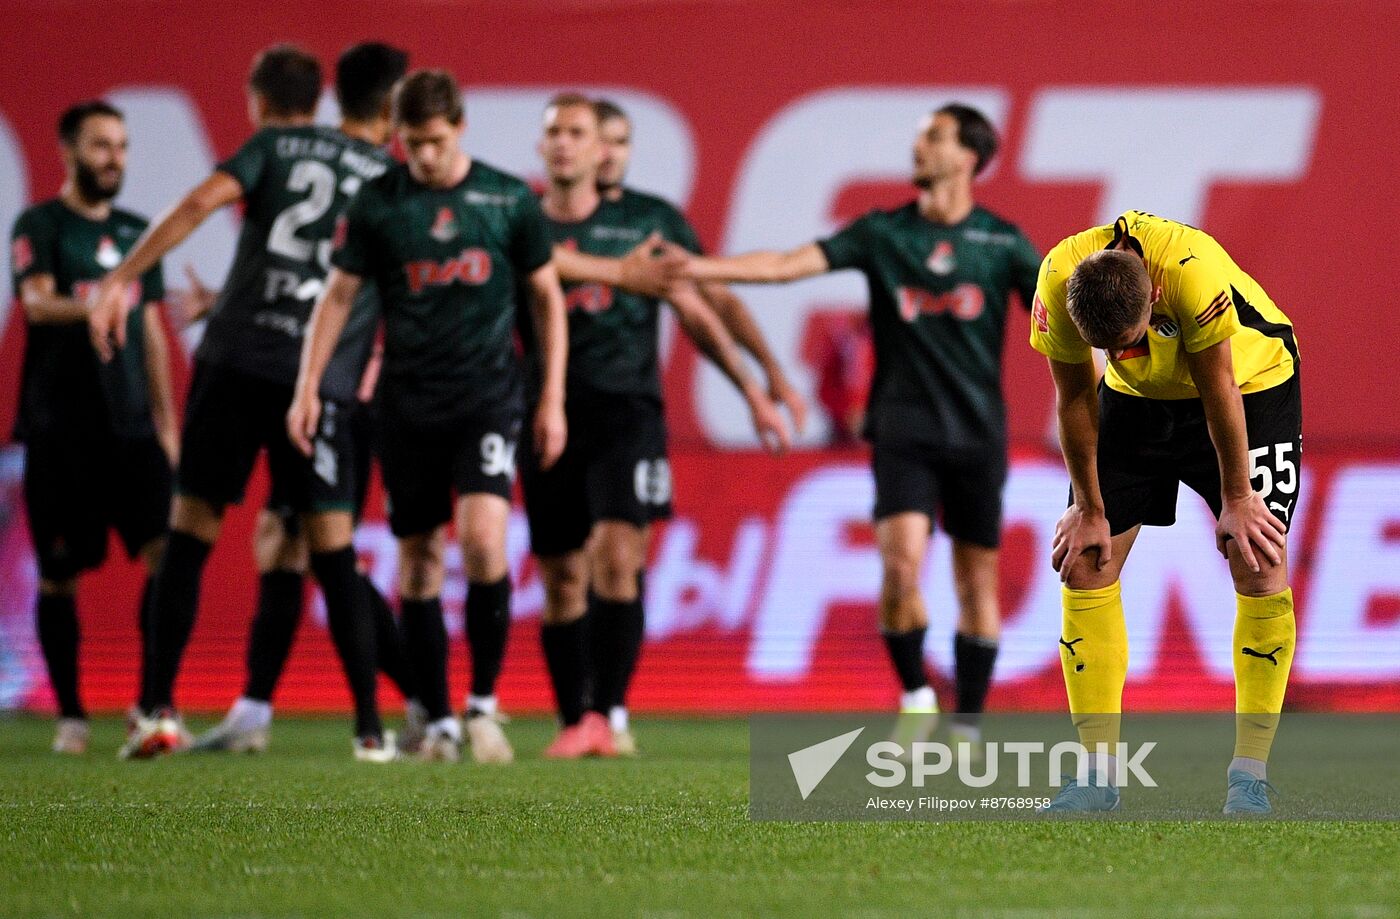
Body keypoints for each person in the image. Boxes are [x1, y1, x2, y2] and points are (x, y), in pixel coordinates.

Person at [676, 105, 1039, 750]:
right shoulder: (882, 233)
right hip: (902, 434)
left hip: (977, 437)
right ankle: (918, 697)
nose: (917, 144)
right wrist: (700, 268)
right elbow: (788, 264)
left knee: (975, 583)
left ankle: (968, 724)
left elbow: (1061, 314)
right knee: (900, 572)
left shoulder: (1002, 243)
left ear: (965, 158)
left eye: (932, 136)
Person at [90, 45, 402, 761]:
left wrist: (123, 279)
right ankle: (370, 730)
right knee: (331, 548)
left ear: (258, 99)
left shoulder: (270, 147)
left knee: (191, 532)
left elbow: (203, 203)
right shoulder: (386, 172)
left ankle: (157, 709)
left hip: (236, 359)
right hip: (310, 376)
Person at [288, 69, 569, 765]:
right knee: (417, 560)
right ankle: (437, 716)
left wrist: (552, 395)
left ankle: (483, 705)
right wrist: (308, 386)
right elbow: (338, 296)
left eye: (436, 143)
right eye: (412, 144)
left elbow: (547, 299)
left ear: (460, 129)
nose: (425, 157)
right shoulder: (379, 202)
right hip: (406, 401)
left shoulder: (508, 198)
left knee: (482, 540)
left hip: (487, 397)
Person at [527, 94, 790, 758]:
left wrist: (756, 387)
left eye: (588, 135)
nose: (577, 146)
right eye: (556, 131)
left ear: (608, 149)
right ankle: (572, 717)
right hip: (544, 410)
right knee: (560, 574)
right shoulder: (520, 221)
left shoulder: (648, 221)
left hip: (627, 413)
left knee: (618, 558)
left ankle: (608, 715)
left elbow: (702, 307)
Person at [187, 42, 421, 755]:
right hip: (329, 385)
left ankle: (424, 702)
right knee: (288, 543)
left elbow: (313, 272)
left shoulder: (303, 155)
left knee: (323, 549)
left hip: (328, 386)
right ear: (392, 107)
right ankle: (259, 708)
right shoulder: (390, 176)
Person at [1030, 210, 1299, 814]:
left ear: (1154, 294)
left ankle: (1249, 776)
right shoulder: (1056, 280)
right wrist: (1090, 510)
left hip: (1251, 389)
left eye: (1130, 340)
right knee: (1086, 560)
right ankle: (1097, 777)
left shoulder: (1190, 270)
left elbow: (1219, 389)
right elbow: (1076, 395)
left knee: (1256, 558)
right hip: (1135, 402)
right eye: (1110, 347)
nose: (1122, 351)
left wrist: (1237, 499)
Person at [9, 100, 177, 754]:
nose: (115, 158)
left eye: (122, 146)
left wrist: (168, 423)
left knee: (167, 557)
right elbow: (35, 302)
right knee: (59, 574)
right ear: (69, 150)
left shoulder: (140, 233)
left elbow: (153, 334)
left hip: (133, 428)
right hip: (61, 430)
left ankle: (152, 702)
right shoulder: (41, 223)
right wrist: (98, 300)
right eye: (102, 145)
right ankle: (72, 715)